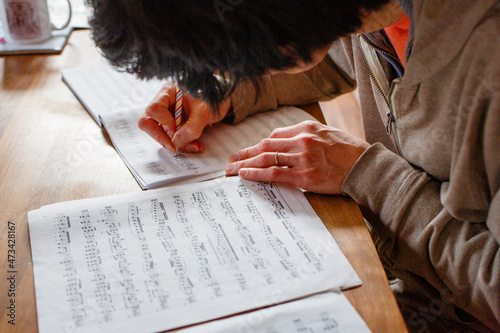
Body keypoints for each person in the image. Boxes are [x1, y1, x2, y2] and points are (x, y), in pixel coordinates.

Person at [86, 0, 500, 331]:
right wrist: (230, 93)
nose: (225, 67)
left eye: (229, 51)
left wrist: (369, 175)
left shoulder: (488, 52)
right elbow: (337, 55)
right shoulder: (358, 11)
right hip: (401, 269)